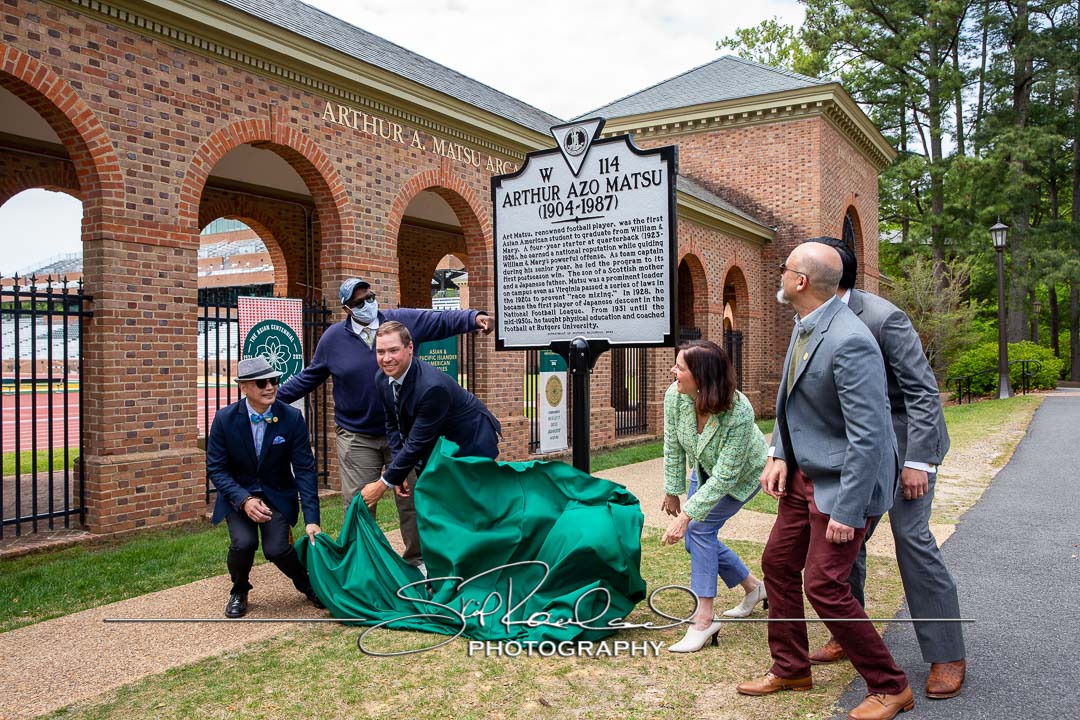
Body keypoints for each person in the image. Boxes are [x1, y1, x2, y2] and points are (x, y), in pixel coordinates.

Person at [737, 242, 913, 720]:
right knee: (777, 563)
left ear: (800, 282)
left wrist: (848, 510)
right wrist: (778, 452)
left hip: (844, 485)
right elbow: (790, 398)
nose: (779, 274)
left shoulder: (851, 340)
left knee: (825, 585)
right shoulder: (805, 322)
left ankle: (891, 685)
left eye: (785, 268)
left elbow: (869, 437)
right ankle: (791, 668)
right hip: (802, 475)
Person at [805, 237, 964, 698]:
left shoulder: (883, 318)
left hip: (905, 443)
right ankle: (847, 632)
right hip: (855, 448)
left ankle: (946, 653)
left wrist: (918, 460)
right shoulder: (810, 320)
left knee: (912, 540)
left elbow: (921, 392)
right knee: (847, 534)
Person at [276, 277, 493, 568]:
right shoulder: (333, 339)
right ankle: (363, 565)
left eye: (369, 296)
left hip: (406, 433)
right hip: (357, 434)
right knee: (360, 501)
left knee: (414, 500)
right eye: (358, 302)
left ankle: (419, 562)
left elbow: (439, 319)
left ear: (408, 347)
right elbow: (310, 376)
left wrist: (473, 317)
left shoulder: (399, 324)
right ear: (346, 308)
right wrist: (271, 399)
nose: (366, 304)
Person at [660, 340, 769, 653]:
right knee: (696, 537)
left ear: (701, 376)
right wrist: (672, 490)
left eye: (680, 367)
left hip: (741, 477)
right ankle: (754, 588)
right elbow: (672, 446)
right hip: (705, 470)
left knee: (699, 530)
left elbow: (725, 477)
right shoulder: (675, 397)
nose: (674, 372)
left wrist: (685, 517)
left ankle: (703, 621)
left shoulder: (739, 411)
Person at [206, 356, 324, 618]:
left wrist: (312, 519)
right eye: (262, 383)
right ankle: (239, 589)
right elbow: (216, 469)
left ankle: (306, 584)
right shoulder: (224, 419)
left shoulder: (292, 418)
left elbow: (304, 470)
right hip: (238, 496)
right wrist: (244, 499)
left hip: (277, 495)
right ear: (244, 387)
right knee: (243, 544)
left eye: (274, 381)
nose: (270, 387)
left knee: (276, 549)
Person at [362, 321, 501, 505]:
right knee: (438, 501)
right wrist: (398, 472)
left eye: (393, 350)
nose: (386, 358)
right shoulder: (382, 378)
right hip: (438, 441)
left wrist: (384, 483)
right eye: (381, 352)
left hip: (471, 440)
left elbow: (417, 442)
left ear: (410, 347)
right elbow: (393, 424)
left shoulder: (432, 388)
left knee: (471, 506)